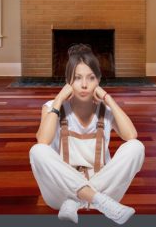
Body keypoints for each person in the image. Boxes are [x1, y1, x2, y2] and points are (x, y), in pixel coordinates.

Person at [29, 44, 145, 224]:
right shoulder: (52, 107)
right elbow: (43, 140)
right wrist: (59, 100)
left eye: (91, 78)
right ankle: (96, 201)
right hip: (61, 193)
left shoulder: (105, 108)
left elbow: (131, 135)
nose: (84, 85)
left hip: (104, 187)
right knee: (37, 151)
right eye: (77, 78)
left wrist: (109, 99)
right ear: (68, 81)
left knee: (136, 147)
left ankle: (77, 201)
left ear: (98, 80)